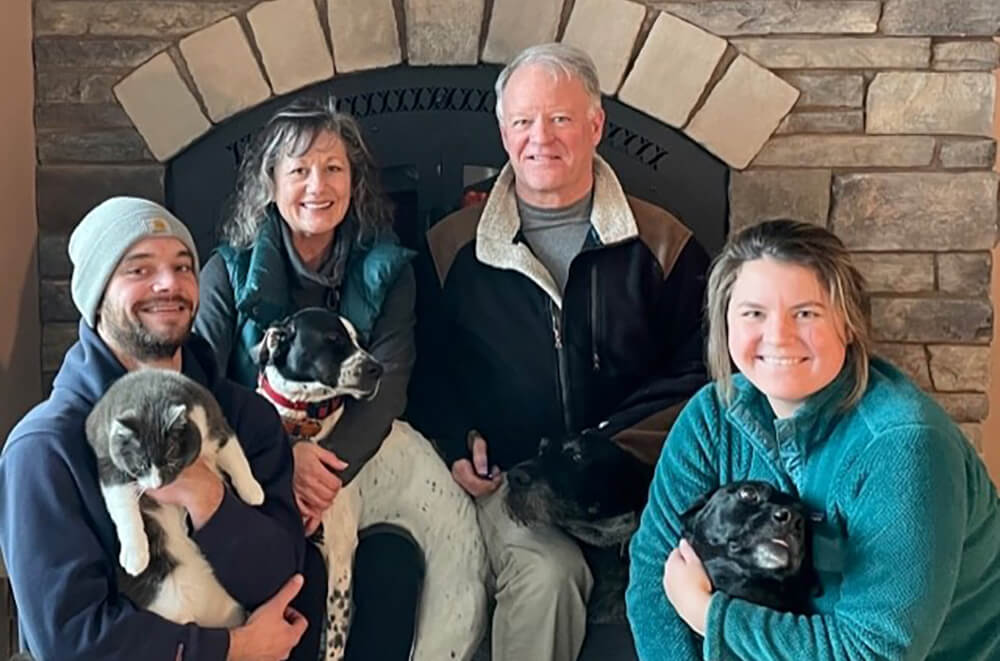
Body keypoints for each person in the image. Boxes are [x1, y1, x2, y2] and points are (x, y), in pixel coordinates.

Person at [410, 43, 709, 660]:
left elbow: (700, 370)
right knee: (548, 575)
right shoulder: (450, 249)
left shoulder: (662, 243)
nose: (539, 137)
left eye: (560, 119)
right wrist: (454, 438)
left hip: (636, 483)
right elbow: (425, 369)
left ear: (596, 125)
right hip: (514, 488)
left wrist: (611, 446)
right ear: (502, 132)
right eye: (523, 121)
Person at [626, 219, 1000, 660]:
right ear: (725, 324)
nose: (778, 336)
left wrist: (708, 614)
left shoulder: (902, 446)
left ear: (849, 325)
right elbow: (656, 570)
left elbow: (874, 651)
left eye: (805, 313)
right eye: (753, 313)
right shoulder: (712, 416)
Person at [0, 196, 319, 660]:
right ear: (97, 294)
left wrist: (206, 495)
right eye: (139, 269)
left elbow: (284, 577)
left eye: (183, 266)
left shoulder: (247, 417)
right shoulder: (44, 450)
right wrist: (231, 650)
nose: (169, 283)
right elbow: (70, 642)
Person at [193, 96, 423, 659]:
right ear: (271, 183)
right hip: (247, 467)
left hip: (346, 471)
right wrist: (281, 459)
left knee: (388, 571)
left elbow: (389, 381)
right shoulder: (227, 271)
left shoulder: (388, 268)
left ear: (354, 181)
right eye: (299, 170)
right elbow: (199, 384)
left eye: (333, 168)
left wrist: (325, 470)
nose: (317, 185)